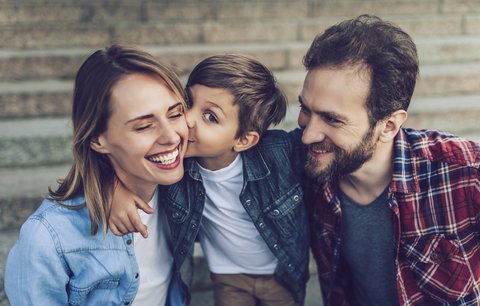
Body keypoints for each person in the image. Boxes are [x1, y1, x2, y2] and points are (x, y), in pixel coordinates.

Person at [299, 15, 480, 306]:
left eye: (332, 119)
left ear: (389, 126)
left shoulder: (464, 171)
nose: (308, 134)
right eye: (306, 109)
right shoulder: (307, 170)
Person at [110, 54, 310, 306]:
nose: (188, 120)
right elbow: (125, 157)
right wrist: (115, 187)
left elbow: (319, 144)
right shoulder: (174, 165)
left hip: (280, 275)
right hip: (227, 277)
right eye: (188, 101)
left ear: (244, 140)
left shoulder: (277, 153)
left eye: (210, 117)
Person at [4, 44, 191, 305]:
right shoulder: (47, 238)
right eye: (144, 126)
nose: (171, 137)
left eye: (175, 113)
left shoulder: (188, 189)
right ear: (97, 139)